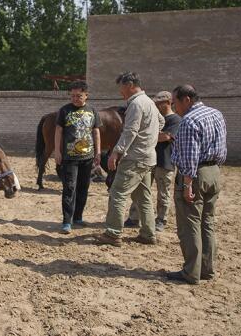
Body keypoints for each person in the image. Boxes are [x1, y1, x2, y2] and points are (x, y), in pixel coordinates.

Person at [166, 85, 227, 284]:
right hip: (214, 172)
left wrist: (187, 184)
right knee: (207, 222)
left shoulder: (189, 121)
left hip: (195, 174)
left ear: (186, 100)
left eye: (175, 102)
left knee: (189, 223)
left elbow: (190, 156)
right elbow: (222, 146)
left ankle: (191, 271)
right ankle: (207, 269)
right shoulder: (216, 113)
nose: (174, 108)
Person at [96, 72, 164, 246]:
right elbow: (161, 122)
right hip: (148, 158)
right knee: (144, 197)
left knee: (117, 193)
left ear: (130, 85)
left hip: (134, 158)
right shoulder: (150, 102)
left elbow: (130, 131)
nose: (121, 92)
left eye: (121, 88)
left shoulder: (135, 104)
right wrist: (150, 135)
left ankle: (113, 234)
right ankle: (148, 234)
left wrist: (116, 152)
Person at [125, 91, 182, 232]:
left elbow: (166, 137)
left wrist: (147, 135)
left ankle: (161, 219)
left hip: (165, 161)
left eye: (159, 103)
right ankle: (134, 217)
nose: (156, 106)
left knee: (163, 192)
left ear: (168, 103)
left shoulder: (175, 120)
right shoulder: (156, 118)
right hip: (149, 159)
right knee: (140, 189)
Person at [54, 81, 102, 234]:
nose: (75, 98)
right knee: (69, 188)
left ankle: (78, 217)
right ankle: (67, 221)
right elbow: (58, 132)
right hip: (70, 157)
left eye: (78, 96)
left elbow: (96, 132)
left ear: (86, 95)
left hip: (87, 157)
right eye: (72, 96)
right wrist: (57, 152)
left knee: (83, 187)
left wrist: (98, 152)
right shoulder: (64, 111)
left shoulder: (92, 111)